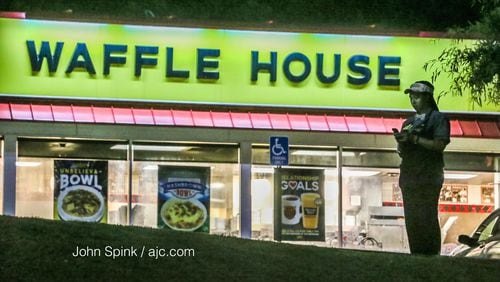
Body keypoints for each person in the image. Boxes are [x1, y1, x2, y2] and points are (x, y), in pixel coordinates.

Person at [393, 80, 450, 255]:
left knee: (427, 215)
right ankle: (416, 252)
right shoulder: (408, 122)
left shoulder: (438, 119)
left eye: (416, 96)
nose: (413, 100)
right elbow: (403, 151)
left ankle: (431, 253)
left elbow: (439, 144)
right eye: (411, 96)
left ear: (427, 97)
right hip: (409, 174)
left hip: (428, 175)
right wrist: (402, 142)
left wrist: (415, 139)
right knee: (412, 217)